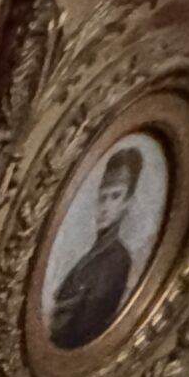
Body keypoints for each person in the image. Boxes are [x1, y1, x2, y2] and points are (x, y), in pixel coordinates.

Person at [49, 143, 145, 350]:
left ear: (127, 202)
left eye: (115, 196)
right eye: (103, 197)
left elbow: (84, 331)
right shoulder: (88, 250)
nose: (105, 207)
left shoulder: (117, 260)